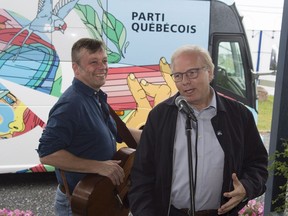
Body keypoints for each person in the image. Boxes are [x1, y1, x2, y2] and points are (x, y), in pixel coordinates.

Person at [128, 45, 268, 216]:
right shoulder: (159, 116)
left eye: (192, 73)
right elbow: (141, 175)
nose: (185, 81)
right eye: (178, 76)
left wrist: (246, 187)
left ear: (210, 73)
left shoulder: (238, 116)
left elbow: (258, 164)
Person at [37, 38, 141, 216]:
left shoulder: (95, 96)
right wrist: (98, 166)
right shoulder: (71, 105)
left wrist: (157, 134)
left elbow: (116, 131)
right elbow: (47, 154)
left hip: (101, 197)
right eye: (94, 62)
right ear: (76, 68)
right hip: (79, 203)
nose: (103, 67)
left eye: (105, 61)